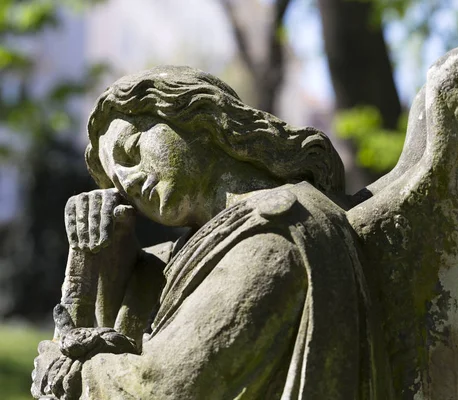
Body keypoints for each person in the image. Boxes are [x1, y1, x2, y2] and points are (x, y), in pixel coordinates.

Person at [32, 66, 392, 399]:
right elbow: (113, 326)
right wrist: (97, 255)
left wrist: (69, 373)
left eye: (132, 151)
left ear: (203, 121)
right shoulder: (201, 244)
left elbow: (161, 385)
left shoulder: (276, 232)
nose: (127, 182)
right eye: (116, 180)